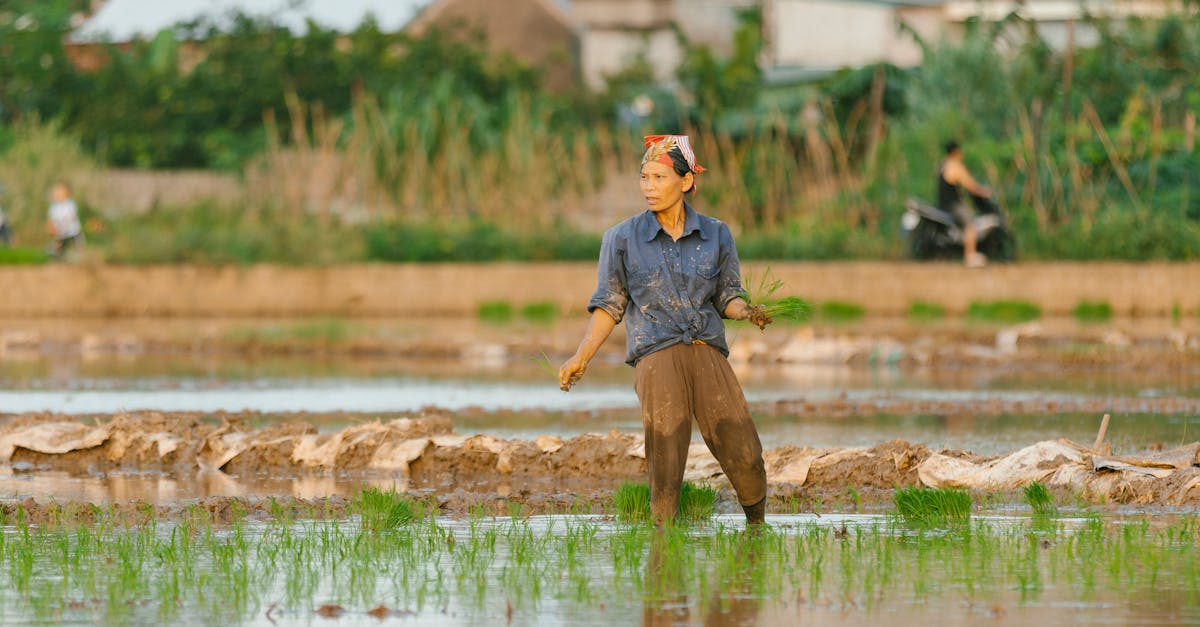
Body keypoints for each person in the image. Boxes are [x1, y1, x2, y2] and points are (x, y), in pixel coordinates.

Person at [558, 134, 772, 527]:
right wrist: (581, 357)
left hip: (707, 351)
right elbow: (609, 306)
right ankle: (664, 545)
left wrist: (748, 311)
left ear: (686, 182)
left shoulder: (717, 233)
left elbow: (728, 296)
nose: (649, 188)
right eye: (644, 178)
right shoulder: (621, 239)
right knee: (666, 459)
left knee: (745, 452)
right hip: (657, 354)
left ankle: (757, 526)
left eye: (659, 178)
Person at [938, 141, 992, 268]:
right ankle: (970, 256)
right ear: (956, 152)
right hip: (953, 205)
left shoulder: (943, 165)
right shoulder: (955, 166)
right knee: (970, 224)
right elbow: (970, 184)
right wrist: (983, 191)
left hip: (944, 204)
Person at [46, 181, 83, 258]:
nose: (57, 194)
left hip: (72, 232)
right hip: (60, 233)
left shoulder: (70, 204)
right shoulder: (53, 206)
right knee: (58, 247)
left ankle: (80, 257)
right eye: (55, 192)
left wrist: (63, 226)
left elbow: (71, 217)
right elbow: (51, 220)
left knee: (77, 247)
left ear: (67, 193)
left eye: (60, 192)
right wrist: (51, 228)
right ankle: (58, 255)